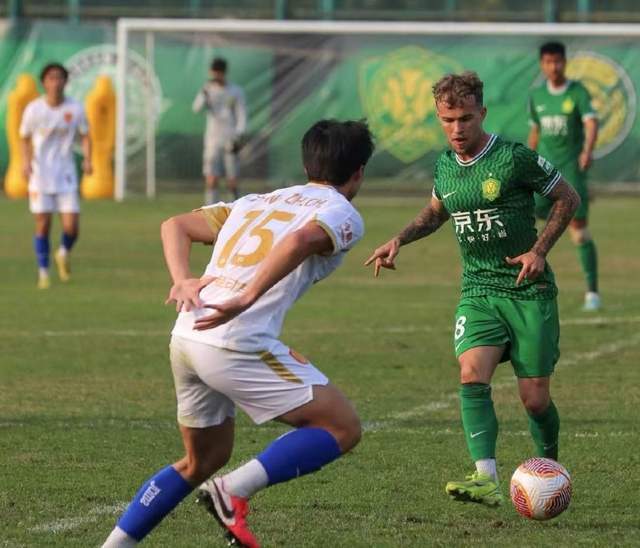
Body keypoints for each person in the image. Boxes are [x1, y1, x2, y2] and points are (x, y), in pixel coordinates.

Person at [102, 119, 374, 547]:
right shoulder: (341, 212)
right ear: (358, 173)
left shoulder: (254, 201)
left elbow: (174, 225)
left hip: (188, 333)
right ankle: (232, 491)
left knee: (202, 459)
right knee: (342, 427)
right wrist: (247, 296)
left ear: (307, 164)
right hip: (234, 341)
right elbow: (300, 240)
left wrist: (182, 279)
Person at [366, 72, 580, 507]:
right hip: (478, 290)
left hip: (527, 290)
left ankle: (550, 468)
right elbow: (435, 213)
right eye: (448, 120)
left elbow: (568, 198)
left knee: (535, 401)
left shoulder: (513, 157)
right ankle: (486, 477)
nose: (457, 128)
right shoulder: (445, 166)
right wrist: (398, 240)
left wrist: (538, 251)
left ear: (482, 113)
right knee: (470, 374)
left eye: (465, 118)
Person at [528, 41, 600, 311]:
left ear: (564, 62)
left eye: (557, 61)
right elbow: (534, 133)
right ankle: (525, 286)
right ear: (542, 64)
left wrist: (587, 151)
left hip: (570, 171)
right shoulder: (537, 96)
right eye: (548, 62)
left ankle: (592, 293)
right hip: (543, 172)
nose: (553, 67)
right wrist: (527, 163)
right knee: (524, 221)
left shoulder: (577, 92)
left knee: (579, 233)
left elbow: (591, 122)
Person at [20, 62, 92, 289]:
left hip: (66, 174)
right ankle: (43, 273)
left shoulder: (75, 108)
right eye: (51, 78)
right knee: (43, 224)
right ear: (44, 83)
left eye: (60, 77)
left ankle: (62, 252)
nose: (56, 82)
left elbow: (85, 134)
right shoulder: (34, 109)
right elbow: (24, 137)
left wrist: (88, 159)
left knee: (72, 227)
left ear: (65, 81)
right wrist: (25, 162)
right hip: (40, 175)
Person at [193, 57, 247, 205]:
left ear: (224, 73)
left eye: (219, 73)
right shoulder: (207, 90)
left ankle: (235, 209)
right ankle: (211, 208)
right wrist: (204, 93)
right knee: (211, 177)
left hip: (230, 138)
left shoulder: (235, 91)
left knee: (232, 179)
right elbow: (196, 108)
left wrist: (239, 135)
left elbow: (241, 114)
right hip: (212, 139)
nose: (216, 76)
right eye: (214, 73)